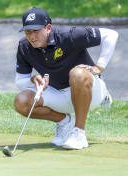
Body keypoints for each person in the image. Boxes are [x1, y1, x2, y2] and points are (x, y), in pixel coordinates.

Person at [14, 7, 118, 150]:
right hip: (59, 94)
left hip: (91, 93)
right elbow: (20, 80)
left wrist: (99, 66)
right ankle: (65, 122)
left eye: (36, 31)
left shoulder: (67, 34)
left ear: (48, 27)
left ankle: (79, 133)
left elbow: (111, 35)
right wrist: (33, 80)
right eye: (27, 32)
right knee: (21, 102)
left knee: (77, 74)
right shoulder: (24, 46)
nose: (31, 36)